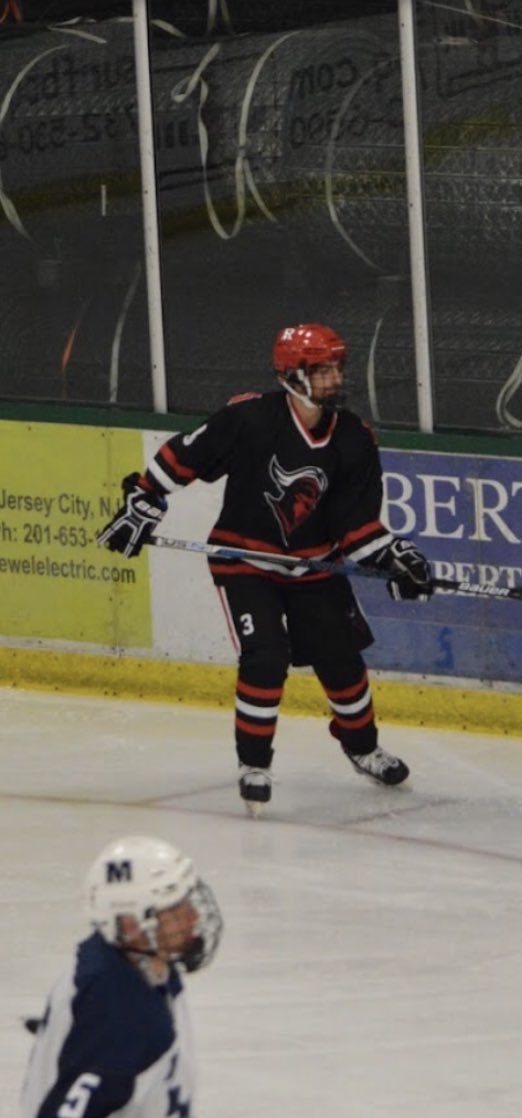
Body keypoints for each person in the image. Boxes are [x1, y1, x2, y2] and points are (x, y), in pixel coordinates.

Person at [97, 323, 434, 817]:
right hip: (245, 561)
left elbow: (355, 522)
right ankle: (253, 764)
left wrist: (394, 558)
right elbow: (185, 456)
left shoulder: (356, 438)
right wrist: (144, 496)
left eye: (337, 367)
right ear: (293, 375)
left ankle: (361, 747)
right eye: (322, 370)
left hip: (314, 565)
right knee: (266, 655)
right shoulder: (250, 418)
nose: (334, 377)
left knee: (340, 658)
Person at [20, 835, 224, 1118]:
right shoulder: (118, 1013)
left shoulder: (141, 966)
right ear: (131, 925)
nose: (194, 918)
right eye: (175, 912)